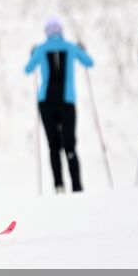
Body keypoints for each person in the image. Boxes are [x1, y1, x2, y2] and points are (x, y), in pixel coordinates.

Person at [24, 16, 95, 193]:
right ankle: (77, 185)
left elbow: (28, 69)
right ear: (61, 31)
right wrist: (82, 49)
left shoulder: (41, 49)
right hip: (66, 101)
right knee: (70, 145)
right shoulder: (70, 47)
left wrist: (32, 53)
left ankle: (59, 185)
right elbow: (89, 63)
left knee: (53, 146)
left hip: (46, 102)